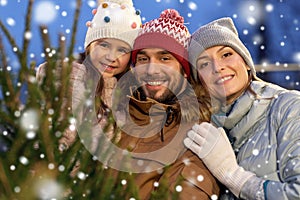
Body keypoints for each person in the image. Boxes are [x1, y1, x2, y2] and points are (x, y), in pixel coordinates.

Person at [99, 9, 220, 200]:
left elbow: (189, 191)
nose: (151, 69)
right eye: (143, 59)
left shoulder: (196, 132)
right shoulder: (113, 114)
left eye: (165, 58)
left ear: (184, 71)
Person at [184, 17, 300, 200]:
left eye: (226, 54)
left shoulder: (289, 108)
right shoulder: (205, 130)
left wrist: (235, 177)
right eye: (204, 64)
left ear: (246, 62)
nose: (218, 67)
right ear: (199, 81)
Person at [36, 0, 142, 152]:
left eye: (122, 50)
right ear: (89, 45)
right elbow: (60, 140)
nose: (111, 56)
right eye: (104, 45)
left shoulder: (128, 91)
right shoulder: (71, 79)